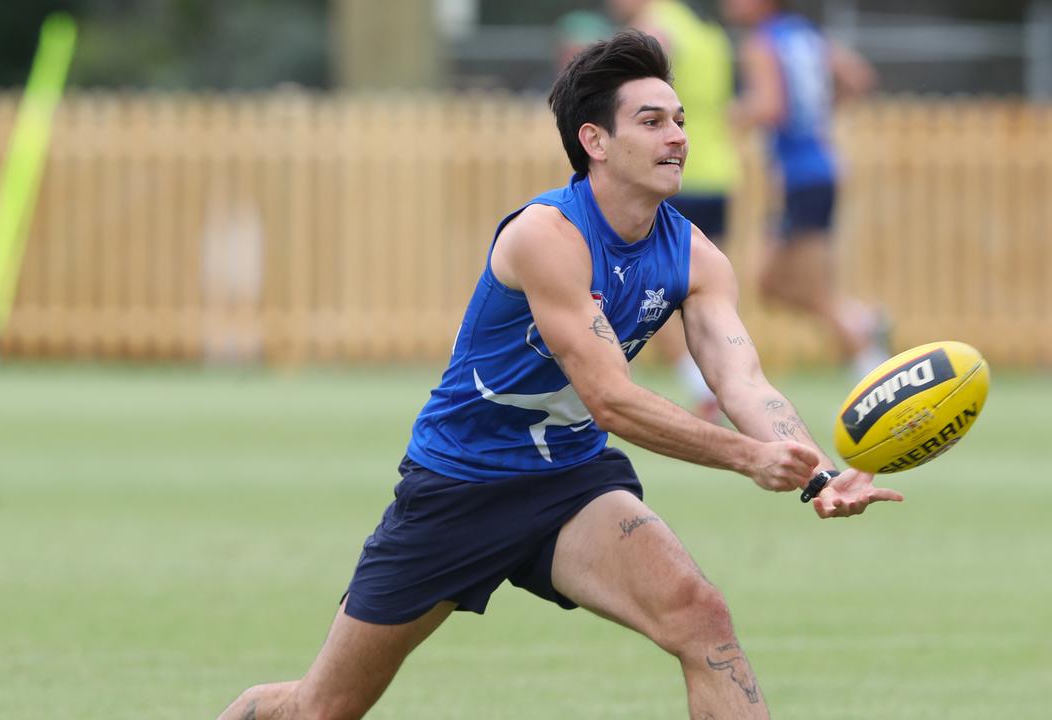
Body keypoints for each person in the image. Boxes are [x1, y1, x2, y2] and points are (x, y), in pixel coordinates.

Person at [217, 31, 902, 720]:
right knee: (319, 710)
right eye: (652, 121)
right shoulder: (547, 236)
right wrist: (748, 457)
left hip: (569, 487)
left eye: (681, 121)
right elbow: (611, 400)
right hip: (459, 488)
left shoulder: (695, 255)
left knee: (701, 618)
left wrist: (818, 472)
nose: (678, 138)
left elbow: (743, 381)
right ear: (595, 142)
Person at [719, 0, 888, 377]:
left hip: (800, 175)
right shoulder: (805, 34)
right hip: (818, 170)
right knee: (771, 283)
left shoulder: (760, 43)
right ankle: (861, 319)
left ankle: (869, 362)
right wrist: (818, 116)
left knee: (807, 288)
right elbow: (858, 77)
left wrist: (720, 118)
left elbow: (769, 107)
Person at [607, 0, 740, 422]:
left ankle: (703, 389)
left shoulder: (656, 26)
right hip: (715, 170)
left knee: (650, 293)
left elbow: (629, 92)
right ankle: (724, 384)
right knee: (702, 291)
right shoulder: (708, 31)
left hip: (665, 173)